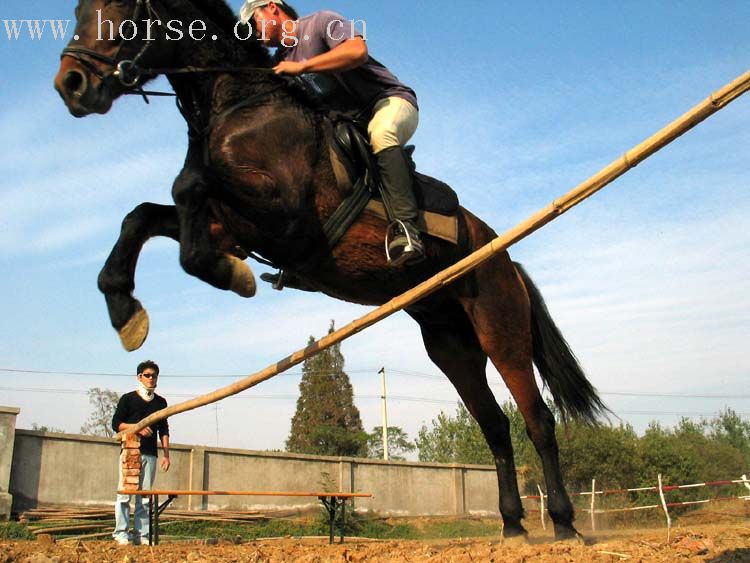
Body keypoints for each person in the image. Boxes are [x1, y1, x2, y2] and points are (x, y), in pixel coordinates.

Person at [239, 0, 425, 266]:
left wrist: (303, 67)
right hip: (346, 126)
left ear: (271, 7)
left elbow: (357, 51)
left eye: (251, 23)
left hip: (387, 103)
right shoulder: (278, 62)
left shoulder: (321, 21)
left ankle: (406, 229)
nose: (252, 32)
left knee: (382, 133)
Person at [111, 360, 170, 546]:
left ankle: (141, 535)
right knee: (124, 495)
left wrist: (166, 455)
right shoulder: (128, 399)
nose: (151, 379)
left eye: (154, 376)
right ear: (139, 377)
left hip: (150, 454)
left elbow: (164, 429)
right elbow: (116, 424)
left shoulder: (161, 402)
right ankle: (121, 533)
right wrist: (137, 428)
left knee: (144, 498)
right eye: (147, 375)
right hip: (130, 452)